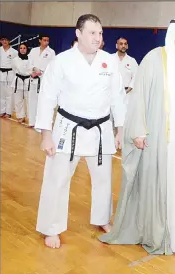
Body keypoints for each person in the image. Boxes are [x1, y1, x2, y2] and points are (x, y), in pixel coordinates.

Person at [98, 18, 175, 255]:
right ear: (172, 34)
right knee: (162, 182)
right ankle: (159, 232)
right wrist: (138, 129)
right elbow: (138, 97)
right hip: (161, 137)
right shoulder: (155, 58)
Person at [35, 14, 125, 249]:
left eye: (101, 33)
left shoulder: (109, 61)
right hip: (68, 128)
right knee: (57, 180)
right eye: (92, 33)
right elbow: (47, 98)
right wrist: (46, 134)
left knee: (104, 179)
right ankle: (51, 228)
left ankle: (102, 219)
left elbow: (118, 98)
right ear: (78, 33)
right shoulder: (62, 61)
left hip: (101, 128)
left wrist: (120, 129)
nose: (98, 38)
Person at [28, 34, 56, 128]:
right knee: (32, 101)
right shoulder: (33, 50)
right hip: (33, 77)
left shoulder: (51, 52)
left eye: (47, 40)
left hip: (44, 79)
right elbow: (29, 62)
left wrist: (41, 72)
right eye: (44, 40)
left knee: (43, 102)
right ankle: (31, 122)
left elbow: (52, 66)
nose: (46, 42)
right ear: (40, 40)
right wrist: (34, 69)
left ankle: (40, 123)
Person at [113, 37, 138, 104]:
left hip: (127, 94)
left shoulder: (132, 61)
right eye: (121, 44)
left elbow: (136, 77)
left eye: (125, 44)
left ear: (127, 46)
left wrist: (127, 90)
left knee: (127, 114)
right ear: (116, 46)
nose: (123, 46)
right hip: (112, 94)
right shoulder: (110, 58)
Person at [11, 43, 32, 124]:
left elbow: (31, 69)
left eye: (24, 48)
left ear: (27, 49)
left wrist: (27, 74)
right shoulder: (15, 60)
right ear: (19, 49)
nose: (23, 50)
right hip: (18, 80)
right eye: (21, 48)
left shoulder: (30, 59)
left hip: (28, 80)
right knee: (18, 100)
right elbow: (14, 69)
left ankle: (30, 117)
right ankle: (20, 116)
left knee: (29, 100)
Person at [0, 35, 18, 118]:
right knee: (1, 94)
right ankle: (2, 111)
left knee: (9, 94)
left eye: (6, 40)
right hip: (1, 73)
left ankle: (8, 112)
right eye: (2, 40)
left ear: (9, 41)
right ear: (0, 41)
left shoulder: (14, 52)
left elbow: (16, 64)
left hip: (10, 74)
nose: (4, 41)